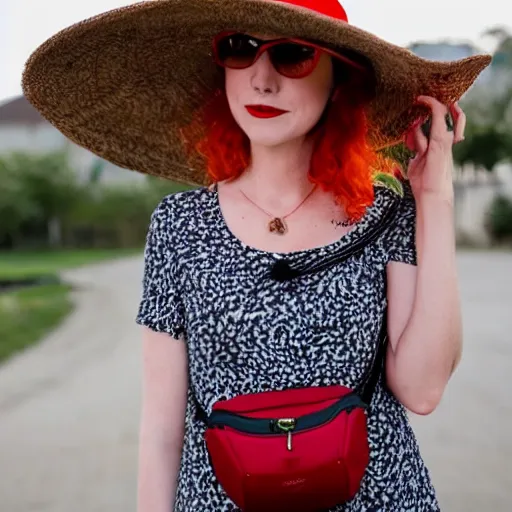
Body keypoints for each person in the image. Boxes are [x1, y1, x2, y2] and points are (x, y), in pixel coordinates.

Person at [22, 1, 491, 510]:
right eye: (240, 49)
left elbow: (422, 391)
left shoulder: (385, 216)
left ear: (340, 79)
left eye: (292, 55)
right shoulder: (179, 226)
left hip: (378, 497)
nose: (261, 80)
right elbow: (162, 427)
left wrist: (434, 201)